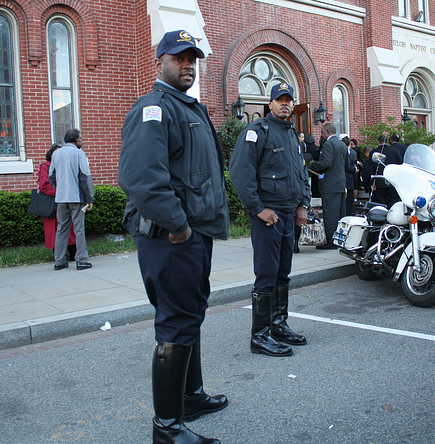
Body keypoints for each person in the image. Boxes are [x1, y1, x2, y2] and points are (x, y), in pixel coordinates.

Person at [118, 30, 228, 444]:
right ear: (159, 60)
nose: (188, 65)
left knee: (190, 314)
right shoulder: (155, 108)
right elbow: (141, 179)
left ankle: (191, 396)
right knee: (176, 322)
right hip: (171, 237)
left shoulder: (188, 107)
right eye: (179, 58)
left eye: (192, 59)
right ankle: (167, 428)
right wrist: (179, 226)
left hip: (193, 233)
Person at [229, 81, 310, 358]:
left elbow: (302, 174)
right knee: (266, 275)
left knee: (282, 274)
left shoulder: (292, 135)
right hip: (268, 217)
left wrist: (303, 205)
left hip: (289, 215)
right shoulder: (257, 131)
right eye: (280, 100)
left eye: (289, 99)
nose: (285, 104)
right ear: (270, 104)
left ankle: (278, 325)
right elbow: (240, 173)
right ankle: (260, 336)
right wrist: (257, 208)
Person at [48, 128, 94, 271]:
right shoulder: (79, 153)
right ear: (76, 140)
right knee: (79, 229)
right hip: (76, 197)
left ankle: (59, 261)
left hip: (61, 198)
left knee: (61, 229)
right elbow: (85, 177)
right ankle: (81, 260)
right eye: (80, 138)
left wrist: (59, 189)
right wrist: (89, 198)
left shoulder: (56, 154)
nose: (82, 141)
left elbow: (51, 176)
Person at [309, 123, 349, 249]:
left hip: (330, 185)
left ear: (327, 132)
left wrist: (313, 164)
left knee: (330, 214)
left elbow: (326, 163)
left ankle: (331, 241)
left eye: (321, 132)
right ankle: (340, 239)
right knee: (340, 214)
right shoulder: (342, 144)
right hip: (341, 184)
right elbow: (347, 165)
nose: (321, 135)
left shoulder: (328, 144)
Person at [38, 144, 76, 259]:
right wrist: (61, 192)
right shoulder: (45, 167)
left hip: (68, 200)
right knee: (56, 231)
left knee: (71, 229)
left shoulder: (68, 166)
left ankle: (74, 254)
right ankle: (60, 257)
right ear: (51, 155)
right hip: (54, 203)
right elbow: (44, 185)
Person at [370, 134, 403, 208]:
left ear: (379, 142)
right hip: (392, 181)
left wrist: (372, 182)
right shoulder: (395, 151)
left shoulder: (374, 152)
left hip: (379, 181)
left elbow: (371, 168)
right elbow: (399, 165)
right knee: (393, 202)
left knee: (381, 203)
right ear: (387, 141)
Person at [341, 136, 359, 216]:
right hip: (343, 178)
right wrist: (354, 169)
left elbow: (354, 162)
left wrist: (355, 169)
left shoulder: (353, 152)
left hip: (349, 179)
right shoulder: (343, 152)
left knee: (349, 200)